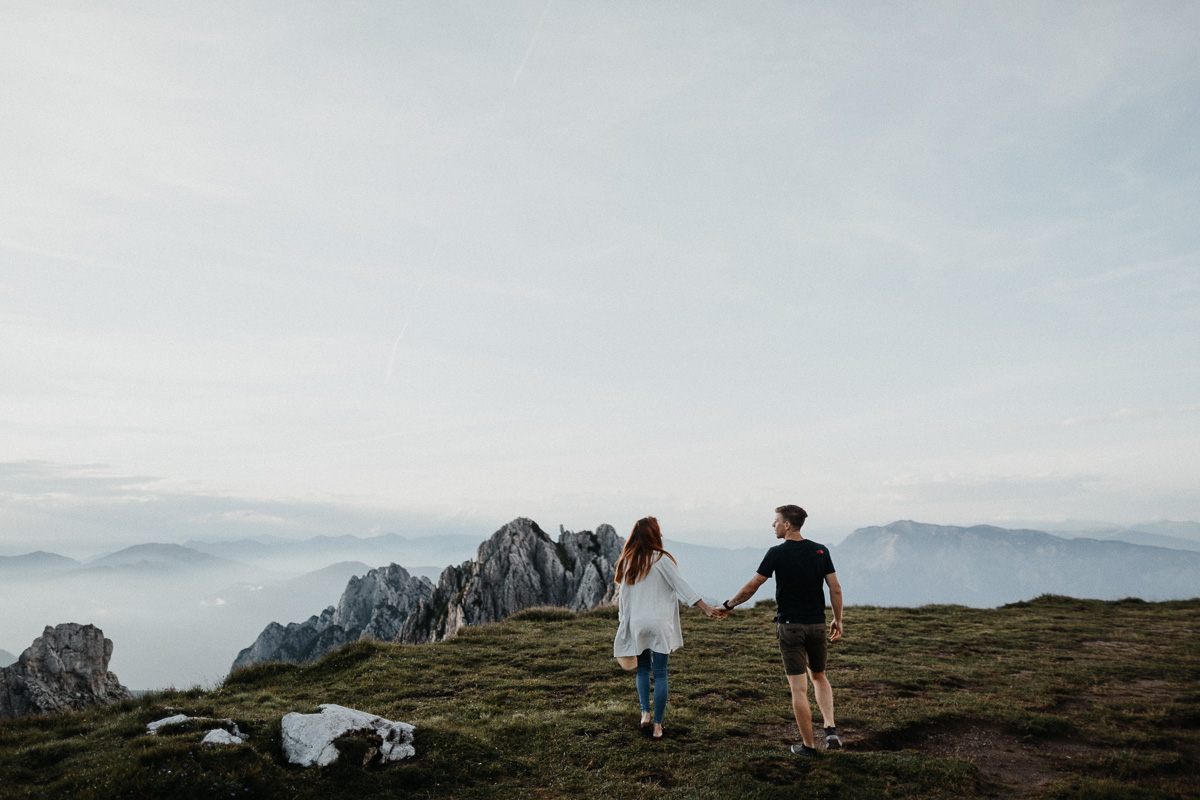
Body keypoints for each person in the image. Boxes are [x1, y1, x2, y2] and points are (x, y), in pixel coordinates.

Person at [721, 505, 843, 756]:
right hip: (818, 625)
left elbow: (752, 586)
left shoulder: (776, 553)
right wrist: (837, 620)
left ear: (787, 525)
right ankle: (830, 727)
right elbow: (835, 588)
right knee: (819, 676)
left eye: (776, 521)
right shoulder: (821, 551)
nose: (773, 525)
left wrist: (728, 605)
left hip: (790, 628)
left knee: (798, 688)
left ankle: (809, 747)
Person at [612, 516, 723, 739]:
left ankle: (645, 712)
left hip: (637, 624)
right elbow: (682, 586)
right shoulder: (662, 559)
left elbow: (623, 598)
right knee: (660, 673)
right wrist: (705, 607)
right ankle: (658, 726)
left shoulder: (628, 560)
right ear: (654, 534)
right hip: (659, 624)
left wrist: (623, 623)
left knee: (643, 668)